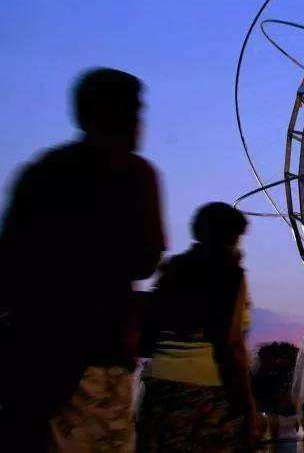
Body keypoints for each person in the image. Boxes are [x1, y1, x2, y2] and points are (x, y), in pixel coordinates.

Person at [0, 68, 166, 450]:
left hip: (38, 354)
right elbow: (146, 259)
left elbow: (8, 264)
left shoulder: (41, 171)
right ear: (120, 115)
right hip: (98, 354)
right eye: (136, 111)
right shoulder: (134, 173)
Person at [137, 202, 256, 450]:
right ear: (231, 237)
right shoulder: (232, 275)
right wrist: (248, 408)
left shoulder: (171, 268)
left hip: (159, 389)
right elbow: (232, 345)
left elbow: (149, 332)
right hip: (207, 391)